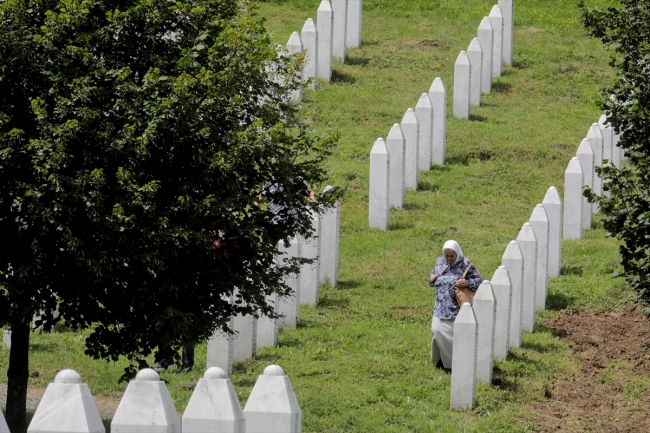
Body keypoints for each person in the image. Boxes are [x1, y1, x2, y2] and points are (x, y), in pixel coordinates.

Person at [428, 240, 483, 370]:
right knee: (437, 331)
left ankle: (452, 364)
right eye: (446, 255)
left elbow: (479, 280)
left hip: (456, 308)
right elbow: (432, 277)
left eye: (452, 256)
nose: (449, 258)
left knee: (451, 336)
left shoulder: (466, 264)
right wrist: (431, 278)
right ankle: (439, 359)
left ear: (457, 253)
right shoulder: (440, 262)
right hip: (441, 307)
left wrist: (468, 283)